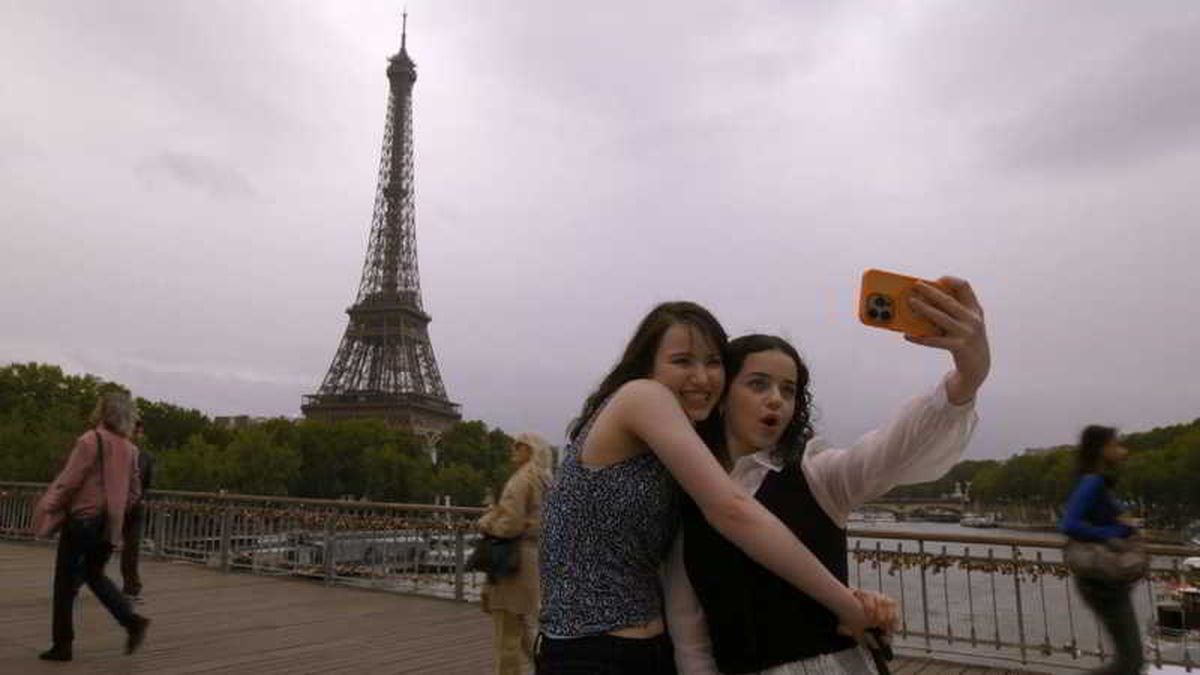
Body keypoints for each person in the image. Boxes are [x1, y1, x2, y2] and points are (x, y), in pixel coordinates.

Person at [667, 275, 988, 674]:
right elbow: (690, 634)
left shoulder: (816, 475)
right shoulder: (684, 492)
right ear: (720, 396)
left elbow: (892, 450)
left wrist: (967, 378)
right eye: (758, 384)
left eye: (789, 390)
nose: (776, 400)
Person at [537, 301, 878, 674]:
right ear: (648, 365)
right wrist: (846, 605)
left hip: (644, 650)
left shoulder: (675, 443)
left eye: (713, 362)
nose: (701, 377)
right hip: (592, 653)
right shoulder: (643, 396)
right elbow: (732, 509)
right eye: (683, 361)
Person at [34, 390, 151, 662]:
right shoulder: (131, 449)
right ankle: (131, 620)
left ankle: (62, 645)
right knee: (94, 573)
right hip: (109, 525)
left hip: (83, 520)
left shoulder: (90, 440)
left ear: (103, 412)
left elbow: (69, 480)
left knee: (64, 583)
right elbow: (135, 492)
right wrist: (116, 509)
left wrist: (48, 505)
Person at [1061, 425, 1144, 675]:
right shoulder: (1093, 482)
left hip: (1102, 578)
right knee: (1130, 662)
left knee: (1129, 659)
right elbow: (1069, 524)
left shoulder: (1094, 481)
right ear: (1102, 449)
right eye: (1116, 444)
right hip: (1101, 579)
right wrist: (1119, 531)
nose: (1123, 450)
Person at [478, 432, 554, 675]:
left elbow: (510, 524)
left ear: (529, 451)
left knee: (506, 637)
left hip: (512, 558)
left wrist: (487, 524)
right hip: (531, 556)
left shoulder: (521, 480)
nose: (513, 450)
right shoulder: (546, 479)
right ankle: (550, 668)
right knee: (521, 627)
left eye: (518, 446)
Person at [122, 419, 155, 602]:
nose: (136, 435)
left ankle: (131, 589)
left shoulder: (146, 457)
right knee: (99, 548)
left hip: (135, 509)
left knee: (132, 549)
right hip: (114, 507)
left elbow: (147, 484)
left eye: (139, 432)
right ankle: (77, 580)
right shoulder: (116, 452)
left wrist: (140, 499)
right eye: (134, 431)